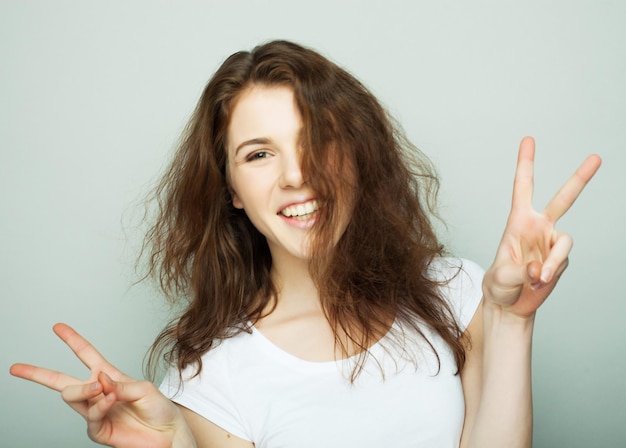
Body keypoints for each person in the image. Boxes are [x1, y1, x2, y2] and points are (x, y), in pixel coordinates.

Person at [10, 40, 601, 448]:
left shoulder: (459, 292)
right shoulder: (210, 377)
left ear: (357, 154)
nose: (296, 174)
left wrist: (512, 319)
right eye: (259, 154)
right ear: (233, 190)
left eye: (317, 139)